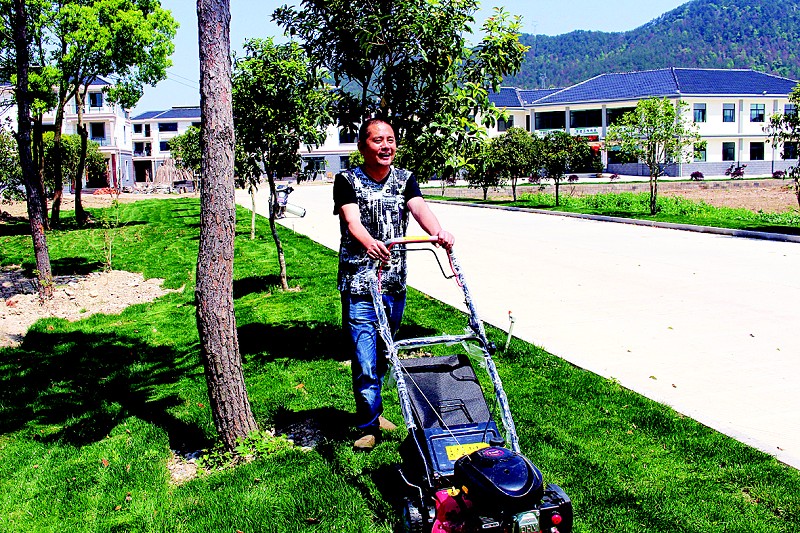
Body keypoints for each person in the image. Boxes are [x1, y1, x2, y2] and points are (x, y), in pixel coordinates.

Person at [334, 118, 455, 450]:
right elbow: (351, 219)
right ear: (363, 146)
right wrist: (368, 242)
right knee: (364, 358)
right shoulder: (346, 180)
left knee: (384, 352)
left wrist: (438, 232)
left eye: (390, 139)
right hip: (359, 284)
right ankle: (368, 425)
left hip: (393, 283)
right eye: (377, 140)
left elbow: (419, 208)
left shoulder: (405, 179)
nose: (385, 146)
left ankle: (374, 410)